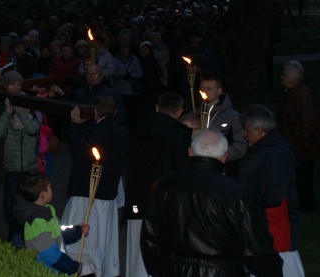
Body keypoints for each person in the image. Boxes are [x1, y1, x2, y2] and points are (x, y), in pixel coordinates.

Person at [141, 130, 283, 277]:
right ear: (224, 157)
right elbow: (255, 247)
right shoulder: (236, 193)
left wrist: (159, 270)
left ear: (190, 152)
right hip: (221, 271)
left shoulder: (164, 186)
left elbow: (150, 238)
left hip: (175, 269)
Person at [124, 91, 191, 277]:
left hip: (138, 198)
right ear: (180, 111)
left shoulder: (140, 129)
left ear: (157, 108)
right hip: (165, 202)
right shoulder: (179, 135)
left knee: (137, 246)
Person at [61, 95, 129, 277]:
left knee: (82, 231)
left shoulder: (92, 131)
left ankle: (82, 265)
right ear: (114, 112)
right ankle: (103, 267)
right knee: (103, 236)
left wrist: (75, 125)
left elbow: (77, 150)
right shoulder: (123, 132)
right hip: (107, 191)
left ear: (96, 112)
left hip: (86, 190)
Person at [239, 105, 304, 276]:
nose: (244, 135)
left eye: (246, 130)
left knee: (285, 269)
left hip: (276, 231)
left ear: (259, 131)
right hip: (266, 229)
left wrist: (243, 199)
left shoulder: (275, 155)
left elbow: (274, 196)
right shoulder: (266, 150)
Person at [0, 70, 40, 247]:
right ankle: (14, 230)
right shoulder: (2, 102)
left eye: (19, 84)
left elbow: (32, 129)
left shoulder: (28, 104)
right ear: (6, 86)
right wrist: (8, 112)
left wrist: (21, 112)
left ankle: (28, 231)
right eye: (12, 84)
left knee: (30, 199)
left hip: (29, 164)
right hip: (12, 165)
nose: (16, 87)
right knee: (11, 200)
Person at [15, 171, 90, 275]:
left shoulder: (47, 210)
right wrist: (73, 267)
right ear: (43, 194)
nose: (51, 190)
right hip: (47, 272)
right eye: (49, 188)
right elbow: (51, 255)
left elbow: (58, 232)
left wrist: (77, 230)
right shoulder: (36, 223)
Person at [279, 60, 320, 213]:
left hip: (302, 146)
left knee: (304, 178)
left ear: (294, 77)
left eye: (284, 75)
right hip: (296, 144)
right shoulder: (291, 92)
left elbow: (309, 122)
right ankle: (303, 204)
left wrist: (303, 145)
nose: (281, 77)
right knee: (299, 177)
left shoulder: (302, 93)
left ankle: (307, 205)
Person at [197, 73, 246, 178]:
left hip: (224, 171)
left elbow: (240, 146)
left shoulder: (232, 116)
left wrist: (218, 155)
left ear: (219, 91)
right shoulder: (196, 114)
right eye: (202, 88)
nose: (205, 92)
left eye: (209, 88)